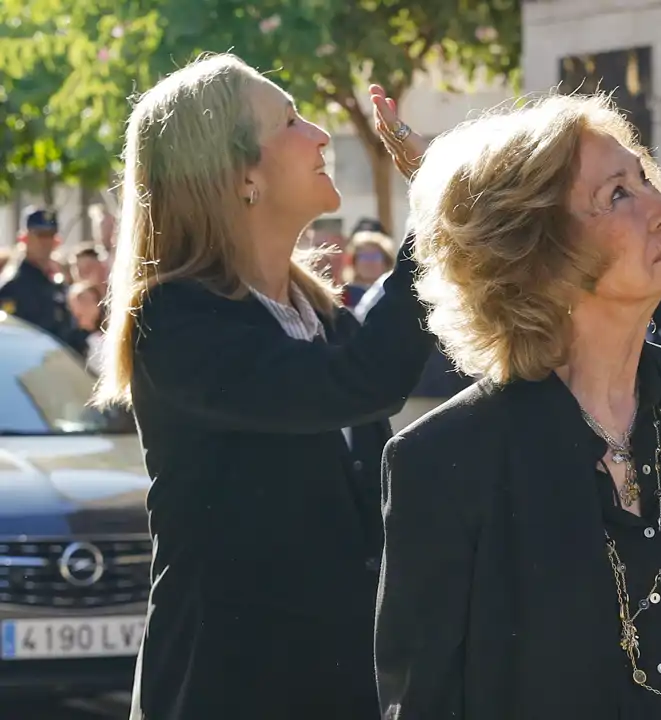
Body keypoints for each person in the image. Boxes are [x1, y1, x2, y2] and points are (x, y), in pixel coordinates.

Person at [375, 93, 661, 720]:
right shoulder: (443, 463)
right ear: (539, 250)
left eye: (646, 179)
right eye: (618, 195)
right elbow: (425, 703)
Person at [91, 54, 431, 720]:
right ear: (241, 175)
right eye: (290, 120)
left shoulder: (322, 317)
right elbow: (362, 383)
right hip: (226, 691)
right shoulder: (174, 319)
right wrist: (435, 204)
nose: (321, 134)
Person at [0, 207, 73, 341]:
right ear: (24, 238)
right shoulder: (13, 285)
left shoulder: (56, 282)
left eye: (50, 235)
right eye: (40, 235)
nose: (46, 242)